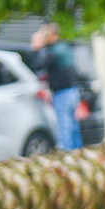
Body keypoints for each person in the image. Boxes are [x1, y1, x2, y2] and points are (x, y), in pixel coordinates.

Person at [30, 22, 81, 150]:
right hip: (72, 91)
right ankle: (79, 154)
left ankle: (69, 156)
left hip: (62, 93)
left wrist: (36, 48)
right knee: (74, 128)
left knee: (65, 128)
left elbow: (38, 65)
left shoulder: (54, 51)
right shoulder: (64, 47)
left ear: (50, 34)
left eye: (44, 34)